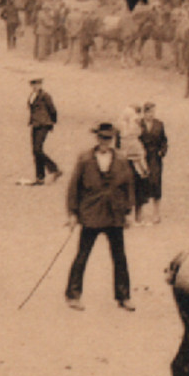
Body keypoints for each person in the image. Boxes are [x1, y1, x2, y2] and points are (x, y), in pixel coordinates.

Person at [64, 122, 138, 310]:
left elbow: (128, 186)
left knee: (119, 257)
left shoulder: (121, 160)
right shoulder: (85, 159)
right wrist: (73, 213)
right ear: (97, 138)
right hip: (91, 214)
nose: (105, 142)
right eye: (102, 138)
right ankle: (73, 295)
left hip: (114, 215)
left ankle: (124, 297)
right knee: (82, 255)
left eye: (109, 139)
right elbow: (74, 188)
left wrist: (129, 212)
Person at [137, 101, 168, 225]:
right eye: (149, 112)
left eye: (153, 112)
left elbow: (164, 141)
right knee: (141, 184)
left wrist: (162, 151)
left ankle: (156, 213)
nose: (151, 115)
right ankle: (139, 214)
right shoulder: (138, 124)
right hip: (142, 157)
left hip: (155, 158)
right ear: (144, 113)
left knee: (156, 184)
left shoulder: (159, 124)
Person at [26, 77, 60, 185]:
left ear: (41, 85)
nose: (36, 86)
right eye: (34, 84)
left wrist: (52, 122)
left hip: (44, 124)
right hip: (35, 124)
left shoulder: (45, 96)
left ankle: (54, 169)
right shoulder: (32, 96)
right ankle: (40, 178)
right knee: (35, 151)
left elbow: (53, 110)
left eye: (38, 84)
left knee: (37, 149)